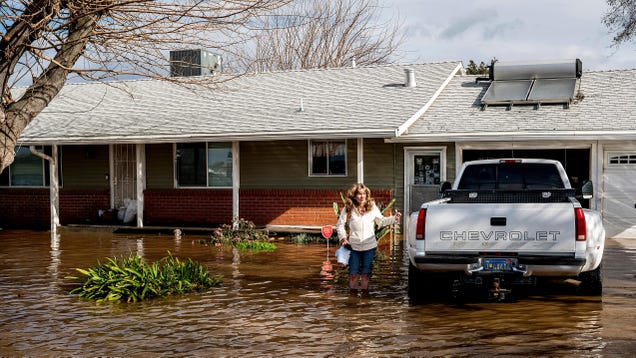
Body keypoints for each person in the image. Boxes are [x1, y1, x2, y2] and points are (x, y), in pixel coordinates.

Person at [335, 183, 401, 293]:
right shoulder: (349, 208)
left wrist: (394, 218)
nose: (362, 197)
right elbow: (340, 225)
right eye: (359, 194)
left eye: (364, 194)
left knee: (366, 274)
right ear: (354, 196)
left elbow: (381, 221)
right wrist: (343, 238)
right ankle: (353, 300)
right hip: (353, 247)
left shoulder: (372, 207)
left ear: (367, 195)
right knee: (353, 274)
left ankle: (365, 299)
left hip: (369, 246)